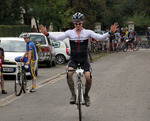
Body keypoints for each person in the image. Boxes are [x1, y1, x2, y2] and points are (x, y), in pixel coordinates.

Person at [39, 12, 119, 107]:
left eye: (79, 23)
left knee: (88, 77)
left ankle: (86, 96)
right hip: (74, 59)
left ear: (83, 23)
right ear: (74, 23)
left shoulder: (87, 32)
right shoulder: (70, 33)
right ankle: (73, 95)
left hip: (84, 59)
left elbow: (100, 37)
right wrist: (47, 34)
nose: (78, 25)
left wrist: (110, 32)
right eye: (76, 23)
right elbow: (56, 39)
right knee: (69, 74)